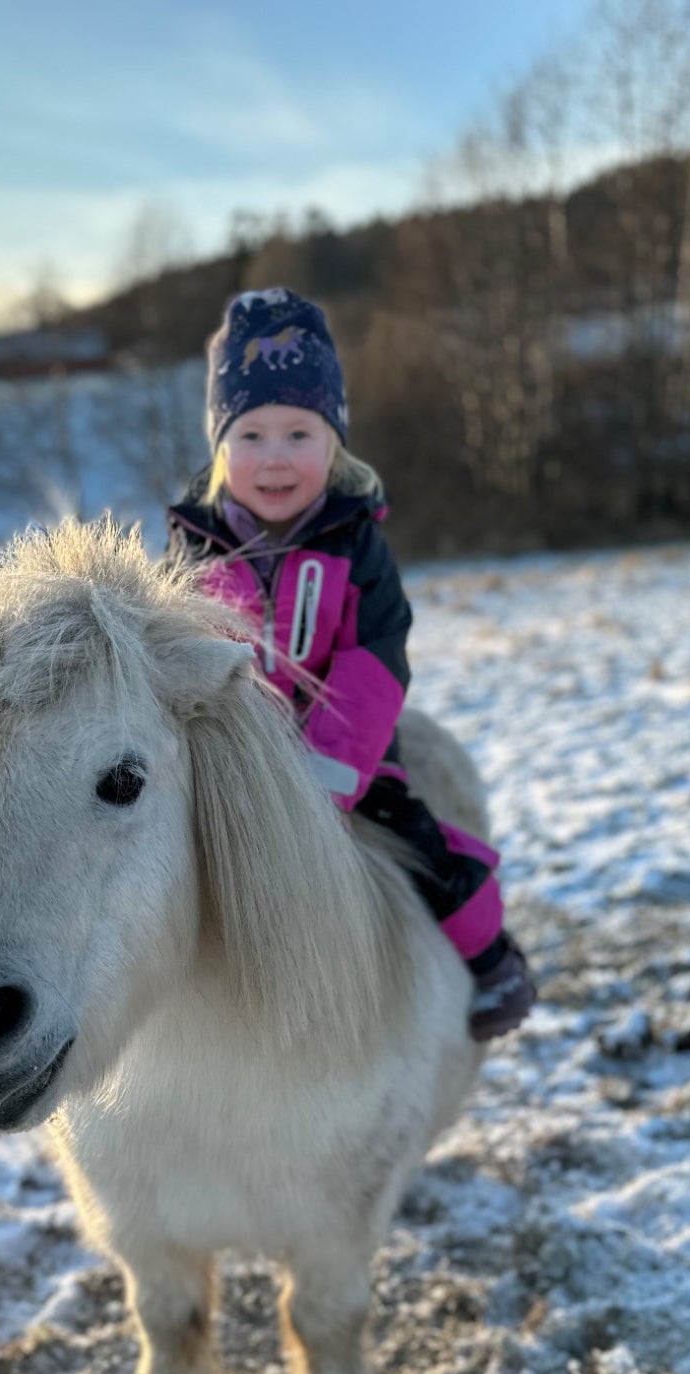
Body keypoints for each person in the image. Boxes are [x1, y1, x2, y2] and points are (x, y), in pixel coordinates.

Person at [164, 287, 536, 1040]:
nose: (275, 458)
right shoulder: (192, 549)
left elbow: (376, 660)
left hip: (343, 761)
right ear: (220, 448)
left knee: (418, 846)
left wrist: (327, 773)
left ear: (334, 443)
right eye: (252, 435)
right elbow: (174, 654)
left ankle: (493, 959)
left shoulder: (354, 543)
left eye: (299, 433)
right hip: (226, 760)